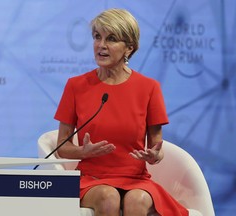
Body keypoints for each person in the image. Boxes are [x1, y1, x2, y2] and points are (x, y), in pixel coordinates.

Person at [54, 8, 188, 216]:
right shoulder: (76, 86)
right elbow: (62, 147)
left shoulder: (149, 88)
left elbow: (156, 148)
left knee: (138, 200)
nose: (101, 45)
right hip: (91, 179)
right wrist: (83, 152)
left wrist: (153, 156)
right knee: (109, 197)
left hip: (136, 180)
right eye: (97, 37)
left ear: (129, 48)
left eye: (112, 39)